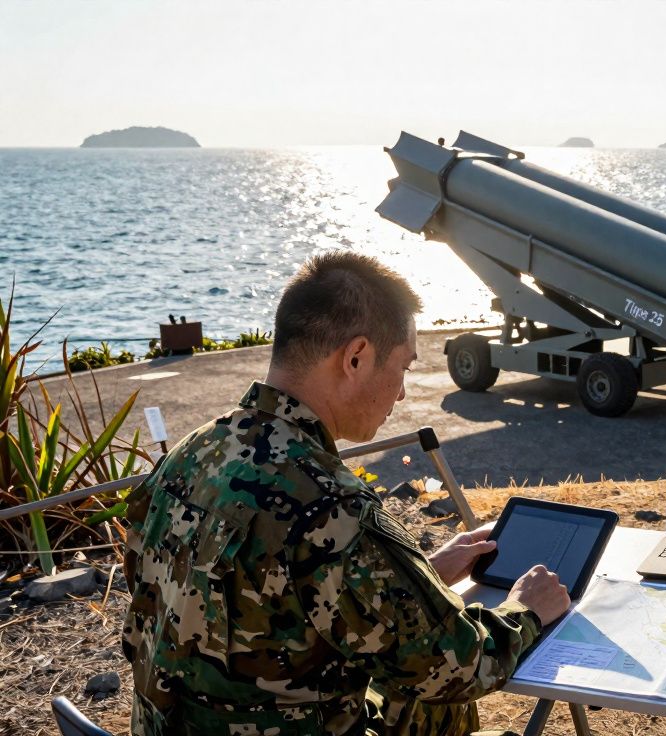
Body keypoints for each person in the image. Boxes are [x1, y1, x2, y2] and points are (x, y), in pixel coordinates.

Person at [121, 252, 570, 736]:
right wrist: (527, 610)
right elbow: (453, 668)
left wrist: (418, 579)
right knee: (443, 703)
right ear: (356, 358)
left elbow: (222, 597)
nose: (401, 394)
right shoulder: (330, 506)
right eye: (403, 367)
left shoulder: (190, 454)